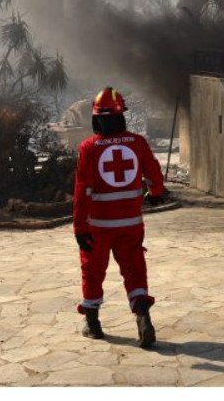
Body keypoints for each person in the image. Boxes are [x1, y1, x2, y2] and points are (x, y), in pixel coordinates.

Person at [72, 86, 165, 348]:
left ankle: (93, 323)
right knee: (135, 270)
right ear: (121, 115)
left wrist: (79, 227)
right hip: (131, 224)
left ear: (96, 117)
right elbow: (154, 174)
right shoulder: (137, 143)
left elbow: (81, 191)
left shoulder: (89, 147)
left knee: (92, 271)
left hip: (98, 226)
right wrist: (155, 193)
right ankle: (143, 315)